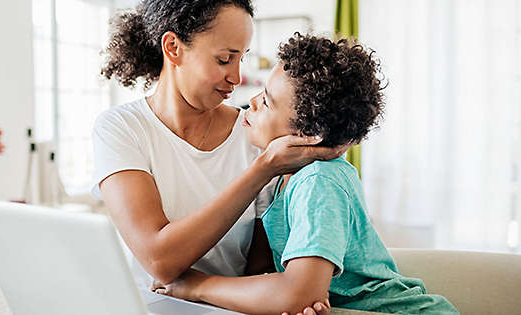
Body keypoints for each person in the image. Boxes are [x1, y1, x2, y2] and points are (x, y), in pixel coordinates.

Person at [152, 34, 460, 315]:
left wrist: (198, 286)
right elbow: (273, 279)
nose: (253, 102)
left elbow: (297, 294)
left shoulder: (319, 181)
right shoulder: (285, 177)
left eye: (268, 101)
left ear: (309, 133)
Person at [93, 0, 346, 314]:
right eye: (225, 59)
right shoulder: (121, 128)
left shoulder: (257, 131)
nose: (237, 77)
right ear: (173, 48)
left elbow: (261, 266)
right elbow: (159, 260)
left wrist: (289, 300)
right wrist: (262, 169)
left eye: (242, 58)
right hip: (147, 306)